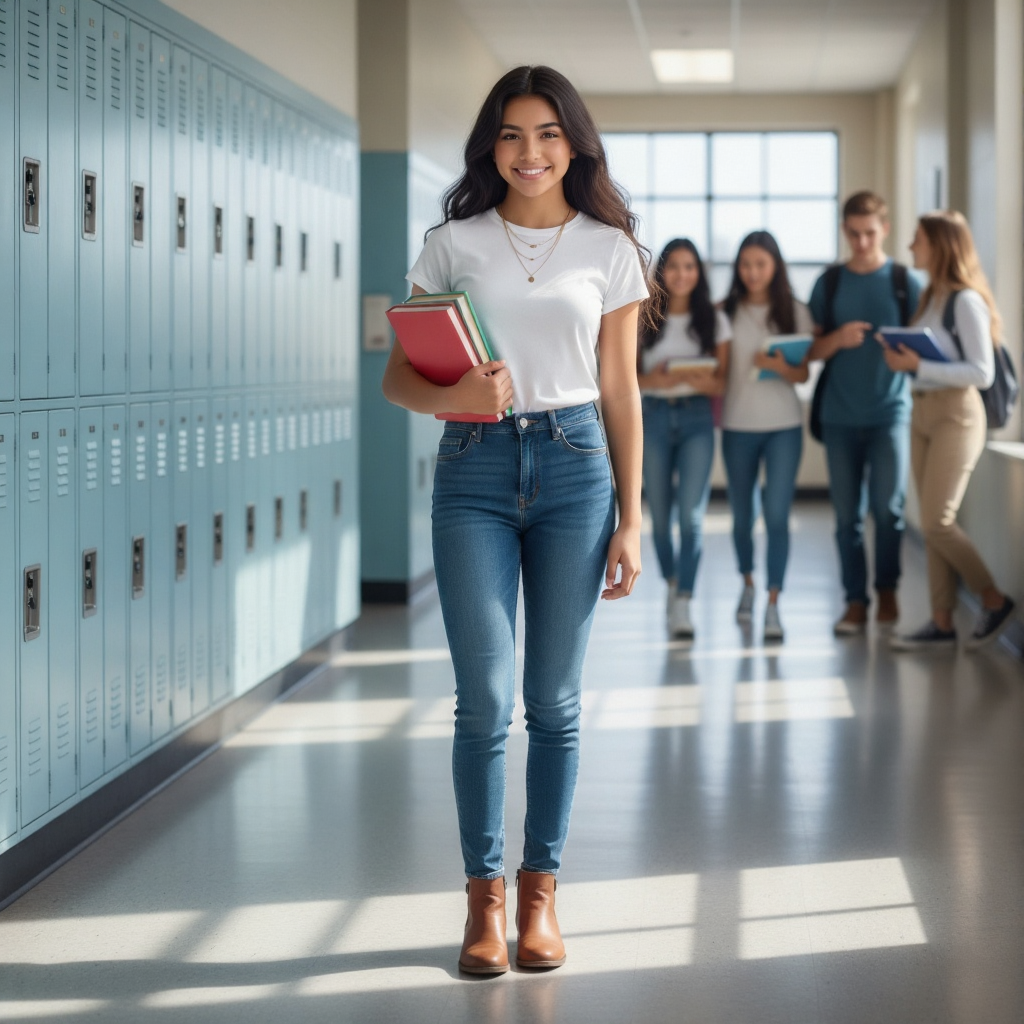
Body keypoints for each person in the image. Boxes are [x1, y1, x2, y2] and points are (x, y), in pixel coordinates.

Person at [382, 66, 649, 975]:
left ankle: (542, 896)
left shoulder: (610, 248)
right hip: (474, 469)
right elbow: (397, 379)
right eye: (509, 134)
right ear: (489, 146)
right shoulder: (451, 243)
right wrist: (458, 391)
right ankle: (484, 906)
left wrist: (633, 515)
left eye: (545, 134)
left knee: (556, 703)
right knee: (487, 703)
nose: (527, 152)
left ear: (574, 144)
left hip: (578, 471)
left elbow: (621, 386)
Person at [884, 211, 1015, 651]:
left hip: (956, 415)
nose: (910, 247)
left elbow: (981, 372)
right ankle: (942, 623)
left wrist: (917, 363)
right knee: (933, 518)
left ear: (940, 245)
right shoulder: (931, 297)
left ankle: (993, 599)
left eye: (917, 239)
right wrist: (906, 362)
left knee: (937, 521)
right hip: (922, 411)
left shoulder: (966, 300)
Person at [808, 192, 922, 637]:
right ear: (844, 230)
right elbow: (811, 351)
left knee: (888, 509)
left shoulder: (903, 281)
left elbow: (926, 348)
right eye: (853, 234)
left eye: (869, 234)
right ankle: (855, 601)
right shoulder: (829, 283)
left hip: (891, 412)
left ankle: (888, 588)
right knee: (846, 518)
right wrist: (837, 340)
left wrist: (906, 352)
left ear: (885, 230)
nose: (860, 242)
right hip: (839, 416)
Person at [720, 230, 813, 642]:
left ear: (775, 266)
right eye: (745, 264)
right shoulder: (724, 311)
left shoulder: (795, 311)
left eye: (761, 264)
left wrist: (775, 365)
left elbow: (804, 373)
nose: (753, 272)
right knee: (743, 519)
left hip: (784, 427)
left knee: (777, 516)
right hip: (738, 426)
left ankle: (774, 603)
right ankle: (747, 584)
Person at [637, 238, 731, 640]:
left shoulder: (714, 320)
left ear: (699, 273)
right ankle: (673, 584)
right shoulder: (643, 315)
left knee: (691, 519)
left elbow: (720, 381)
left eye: (689, 266)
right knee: (659, 521)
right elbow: (627, 379)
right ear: (662, 272)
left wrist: (689, 376)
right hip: (654, 417)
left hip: (695, 419)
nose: (681, 274)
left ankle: (684, 601)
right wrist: (655, 379)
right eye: (673, 266)